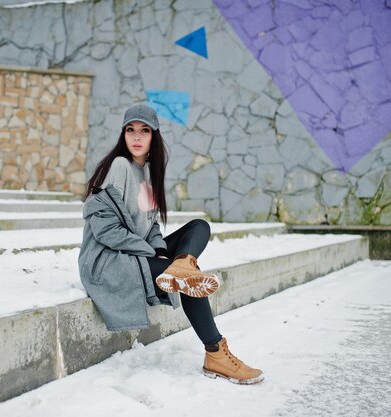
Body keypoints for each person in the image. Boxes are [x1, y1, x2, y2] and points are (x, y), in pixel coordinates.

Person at [78, 104, 263, 385]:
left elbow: (151, 226)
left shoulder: (150, 175)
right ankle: (216, 353)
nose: (137, 137)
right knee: (187, 280)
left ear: (154, 136)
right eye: (131, 130)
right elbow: (106, 230)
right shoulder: (119, 167)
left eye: (144, 131)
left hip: (135, 252)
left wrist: (163, 252)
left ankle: (183, 265)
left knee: (199, 228)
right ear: (123, 135)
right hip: (108, 259)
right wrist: (154, 255)